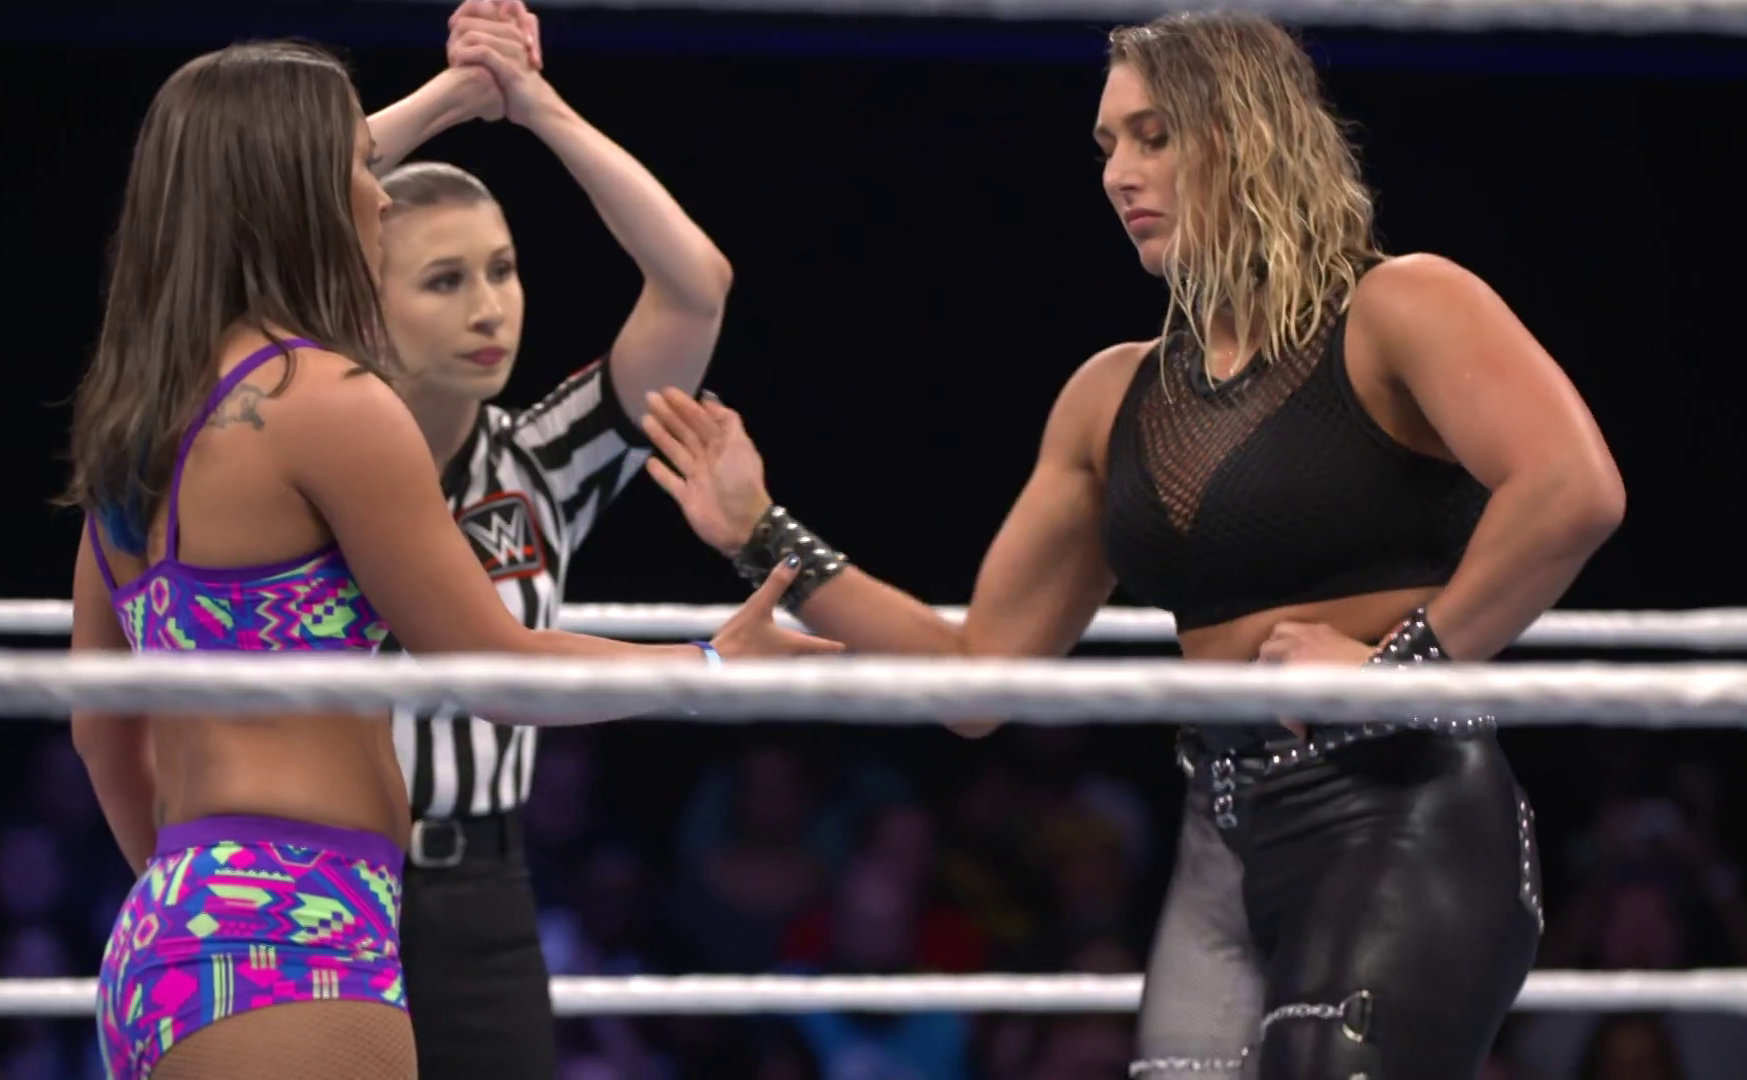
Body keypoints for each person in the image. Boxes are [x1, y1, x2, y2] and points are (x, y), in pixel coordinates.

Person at [638, 12, 1626, 1078]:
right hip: (1221, 837)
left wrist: (1398, 675)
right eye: (1109, 145)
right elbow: (977, 676)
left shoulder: (1399, 306)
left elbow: (1571, 490)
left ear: (1247, 136)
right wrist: (760, 531)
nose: (1120, 174)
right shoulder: (1111, 396)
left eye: (1154, 136)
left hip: (1400, 812)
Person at [63, 39, 832, 1080]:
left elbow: (101, 730)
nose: (379, 193)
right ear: (300, 193)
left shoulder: (139, 418)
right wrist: (709, 668)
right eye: (358, 165)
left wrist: (203, 903)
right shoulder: (327, 401)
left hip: (174, 927)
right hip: (295, 931)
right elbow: (490, 667)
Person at [365, 5, 735, 1076]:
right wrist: (448, 98)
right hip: (322, 879)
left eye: (503, 269)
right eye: (445, 280)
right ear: (358, 299)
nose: (491, 309)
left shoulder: (541, 461)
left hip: (486, 893)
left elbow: (696, 287)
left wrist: (533, 105)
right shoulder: (290, 465)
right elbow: (243, 209)